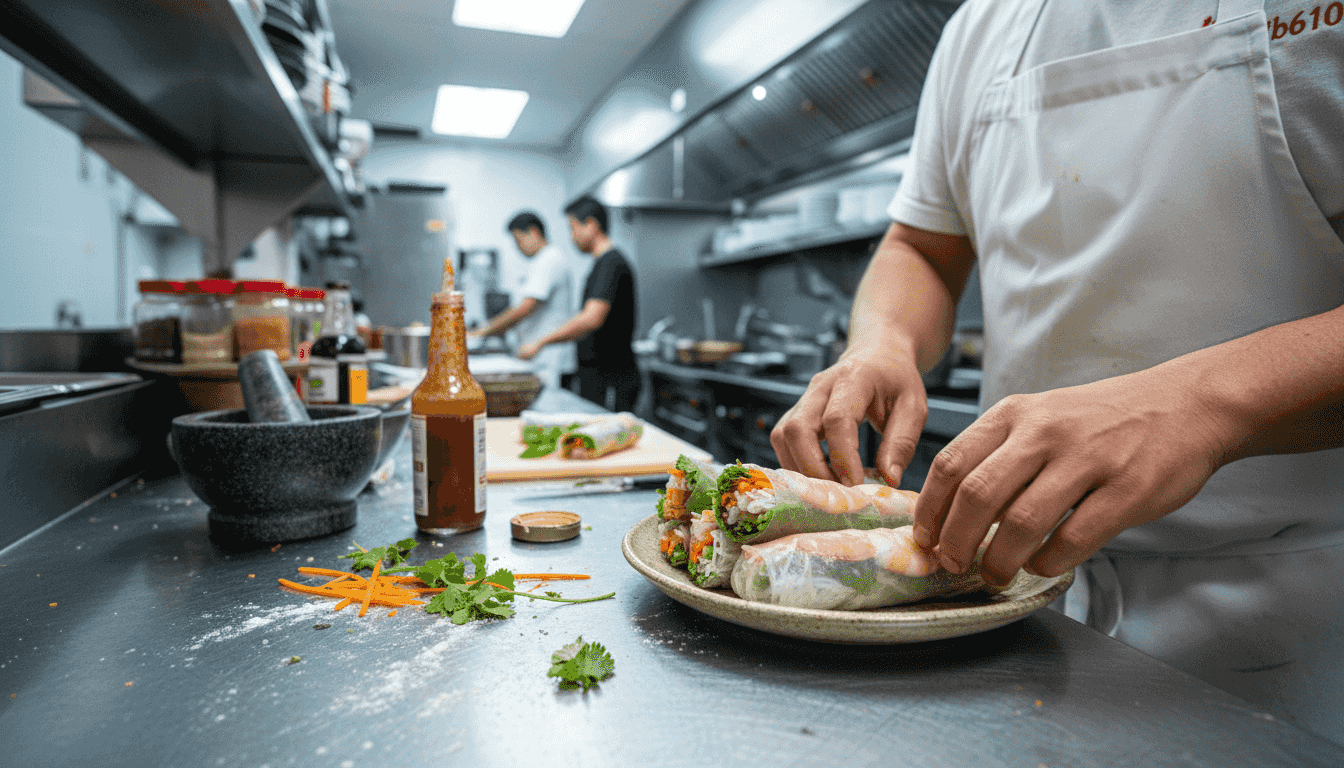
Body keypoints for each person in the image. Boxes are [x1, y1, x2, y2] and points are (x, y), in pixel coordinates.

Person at [771, 0, 1344, 743]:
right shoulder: (981, 27)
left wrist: (1204, 406)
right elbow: (921, 246)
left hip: (1291, 609)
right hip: (1009, 595)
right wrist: (880, 342)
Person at [518, 195, 640, 412]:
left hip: (612, 377)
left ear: (591, 225)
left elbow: (591, 319)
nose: (571, 236)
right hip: (597, 376)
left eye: (572, 228)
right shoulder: (600, 265)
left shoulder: (611, 264)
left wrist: (540, 342)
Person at [471, 211, 577, 391]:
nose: (517, 247)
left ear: (534, 232)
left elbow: (524, 308)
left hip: (549, 357)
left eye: (518, 240)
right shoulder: (540, 262)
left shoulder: (549, 259)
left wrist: (483, 331)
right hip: (539, 355)